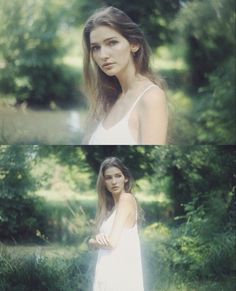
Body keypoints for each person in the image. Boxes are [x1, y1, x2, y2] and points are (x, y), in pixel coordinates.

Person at [82, 6, 168, 145]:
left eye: (112, 43)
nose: (103, 55)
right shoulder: (109, 97)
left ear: (134, 44)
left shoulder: (151, 97)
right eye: (96, 48)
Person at [88, 157, 144, 291]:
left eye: (118, 176)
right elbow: (100, 241)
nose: (114, 181)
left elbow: (112, 242)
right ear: (104, 182)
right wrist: (94, 241)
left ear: (125, 178)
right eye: (108, 178)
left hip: (120, 274)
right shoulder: (110, 208)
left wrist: (92, 241)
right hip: (107, 269)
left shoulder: (126, 199)